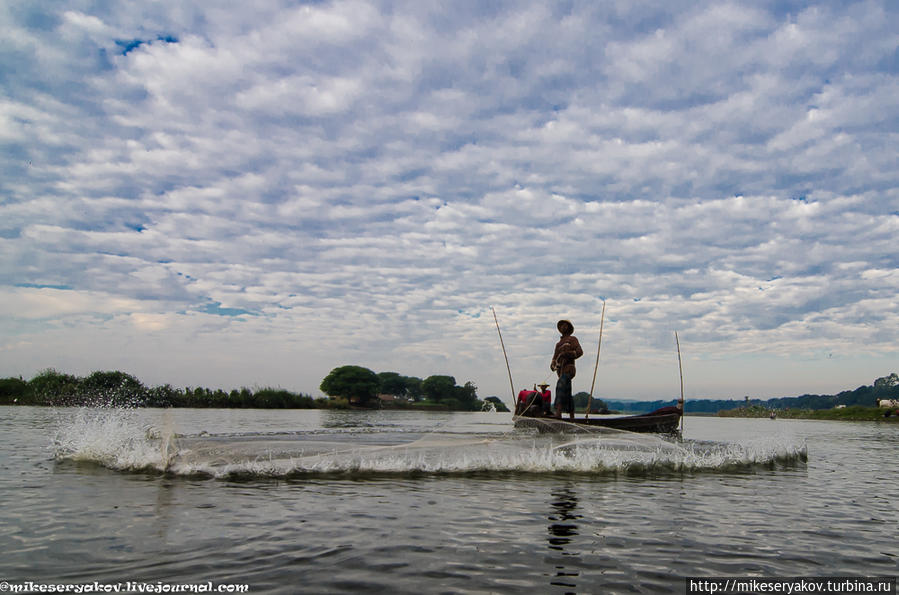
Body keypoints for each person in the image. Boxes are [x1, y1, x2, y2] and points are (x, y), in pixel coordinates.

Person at [550, 319, 583, 420]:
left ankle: (558, 413)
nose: (563, 327)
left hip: (569, 369)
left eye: (565, 325)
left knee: (560, 386)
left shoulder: (572, 339)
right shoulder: (558, 344)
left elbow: (579, 352)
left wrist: (567, 354)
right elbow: (554, 360)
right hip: (561, 371)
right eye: (561, 326)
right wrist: (554, 365)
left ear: (568, 328)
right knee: (567, 392)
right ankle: (572, 417)